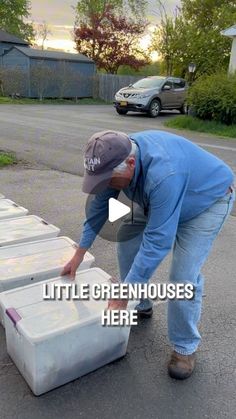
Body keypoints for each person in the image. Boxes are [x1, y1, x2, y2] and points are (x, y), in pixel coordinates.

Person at [62, 130, 235, 380]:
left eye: (108, 180)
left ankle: (184, 347)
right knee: (127, 240)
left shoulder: (164, 173)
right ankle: (141, 304)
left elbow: (157, 241)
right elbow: (98, 209)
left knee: (182, 277)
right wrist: (79, 253)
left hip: (206, 201)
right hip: (160, 197)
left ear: (131, 164)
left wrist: (122, 295)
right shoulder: (114, 155)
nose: (105, 185)